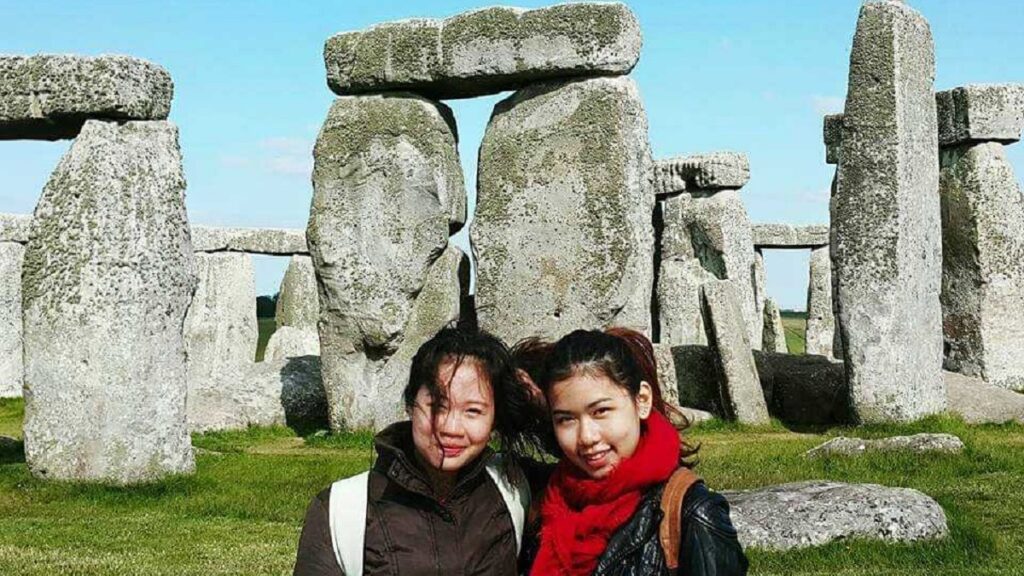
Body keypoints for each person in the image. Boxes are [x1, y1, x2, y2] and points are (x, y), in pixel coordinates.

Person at [293, 326, 547, 576]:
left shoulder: (515, 485)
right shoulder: (341, 509)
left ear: (494, 421)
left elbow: (581, 455)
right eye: (437, 406)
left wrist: (542, 408)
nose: (451, 428)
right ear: (411, 404)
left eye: (473, 411)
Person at [519, 328, 748, 576]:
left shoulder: (694, 514)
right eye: (566, 419)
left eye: (601, 411)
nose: (587, 437)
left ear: (642, 400)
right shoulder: (547, 501)